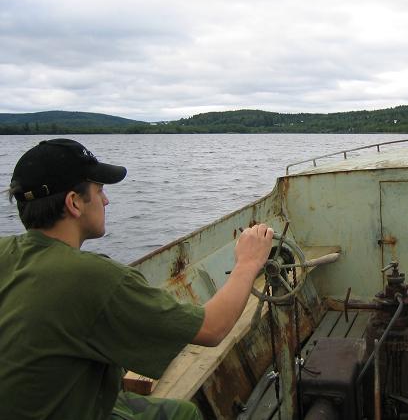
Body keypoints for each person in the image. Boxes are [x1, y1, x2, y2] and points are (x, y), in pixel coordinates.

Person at [0, 138, 274, 420]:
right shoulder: (94, 277)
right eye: (99, 190)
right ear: (74, 203)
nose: (106, 200)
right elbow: (212, 328)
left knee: (180, 410)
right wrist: (249, 262)